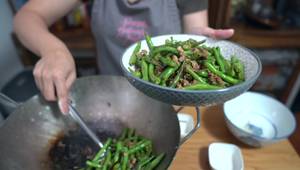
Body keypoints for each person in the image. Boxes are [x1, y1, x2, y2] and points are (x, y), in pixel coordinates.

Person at [13, 0, 234, 114]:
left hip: (169, 106)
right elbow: (27, 16)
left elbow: (195, 33)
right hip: (107, 100)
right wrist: (54, 50)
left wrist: (197, 44)